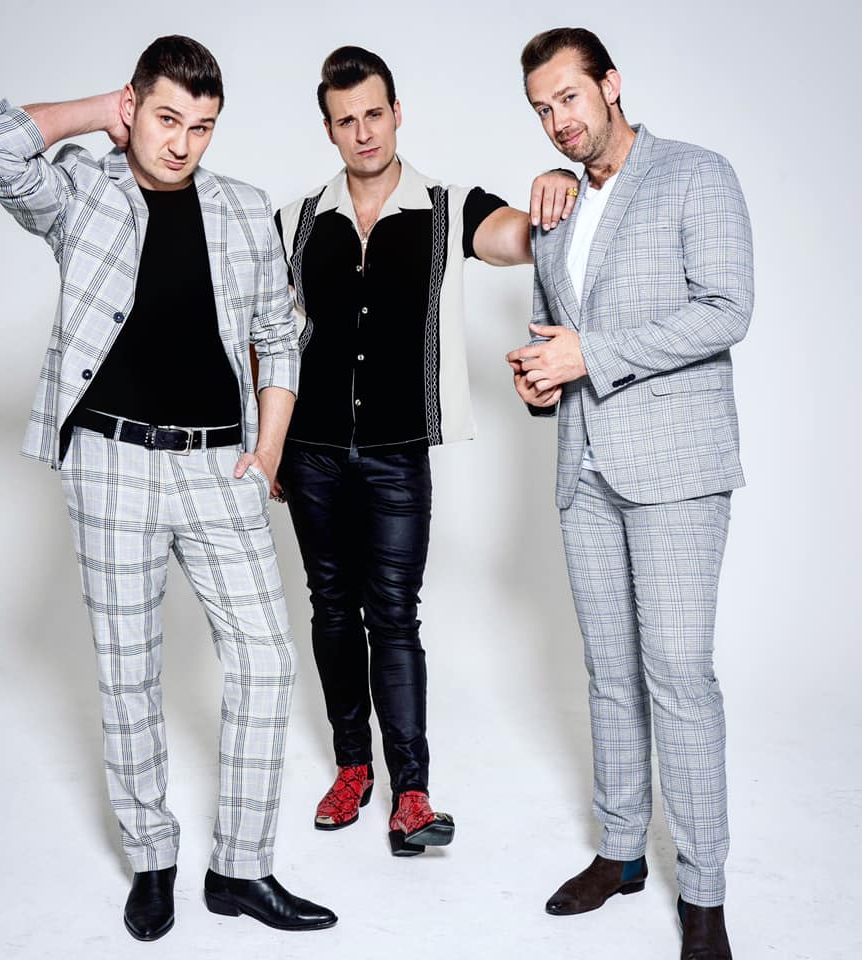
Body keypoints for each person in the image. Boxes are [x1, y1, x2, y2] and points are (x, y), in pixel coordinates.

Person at [0, 34, 336, 941]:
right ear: (135, 107)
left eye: (201, 127)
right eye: (166, 118)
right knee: (128, 671)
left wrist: (267, 452)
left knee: (267, 659)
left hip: (220, 464)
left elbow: (280, 335)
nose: (182, 142)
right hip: (112, 465)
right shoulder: (82, 193)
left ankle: (241, 869)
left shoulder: (242, 208)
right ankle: (153, 860)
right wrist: (101, 111)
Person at [275, 45, 577, 856]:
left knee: (393, 614)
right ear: (329, 129)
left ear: (397, 113)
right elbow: (265, 336)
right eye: (347, 120)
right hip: (309, 452)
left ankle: (411, 792)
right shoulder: (295, 221)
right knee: (331, 607)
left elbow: (516, 237)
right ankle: (351, 767)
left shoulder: (448, 208)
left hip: (397, 455)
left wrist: (557, 192)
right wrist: (267, 444)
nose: (364, 132)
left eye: (375, 113)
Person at [507, 27, 752, 959]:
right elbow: (556, 329)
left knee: (678, 675)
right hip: (585, 466)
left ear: (611, 85)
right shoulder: (558, 207)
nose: (558, 121)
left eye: (569, 97)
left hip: (678, 467)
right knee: (608, 673)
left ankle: (705, 895)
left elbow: (727, 307)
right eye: (542, 108)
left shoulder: (697, 174)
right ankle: (620, 852)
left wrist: (591, 356)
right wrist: (542, 378)